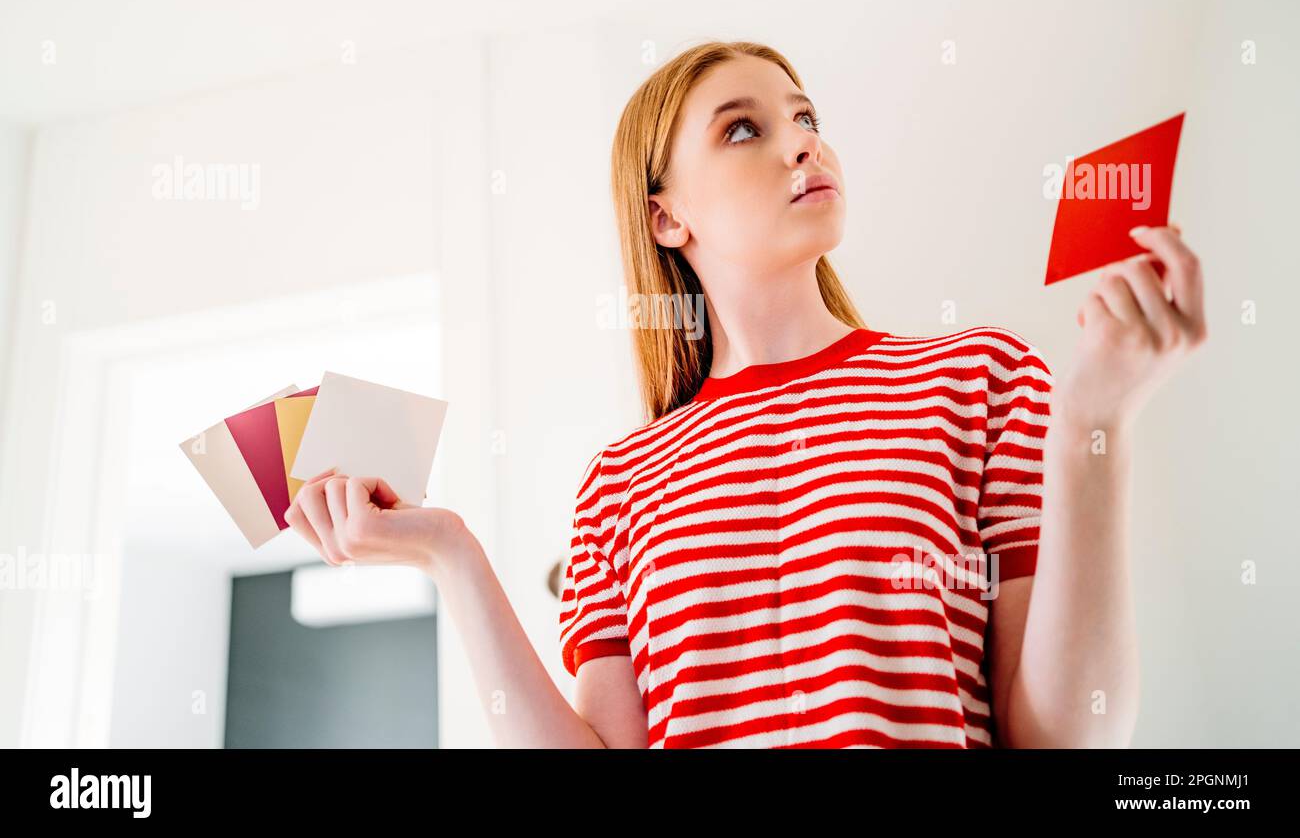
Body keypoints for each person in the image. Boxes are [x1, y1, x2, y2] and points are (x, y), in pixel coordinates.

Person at [284, 40, 1207, 748]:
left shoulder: (985, 378)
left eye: (806, 117)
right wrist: (450, 553)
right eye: (744, 127)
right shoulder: (619, 483)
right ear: (666, 214)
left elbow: (1063, 736)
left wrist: (1097, 425)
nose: (802, 141)